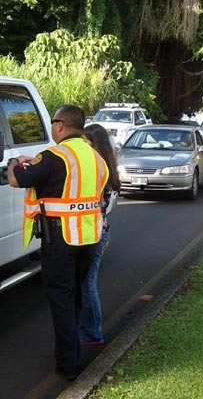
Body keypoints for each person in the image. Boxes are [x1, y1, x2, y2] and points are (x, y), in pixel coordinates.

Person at [7, 105, 108, 381]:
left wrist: (14, 162)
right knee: (73, 296)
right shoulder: (95, 157)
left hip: (60, 238)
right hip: (89, 238)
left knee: (60, 298)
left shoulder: (54, 155)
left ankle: (69, 364)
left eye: (53, 122)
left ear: (61, 125)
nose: (52, 127)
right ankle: (73, 350)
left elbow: (17, 180)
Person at [78, 124, 121, 346]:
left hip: (94, 233)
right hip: (96, 231)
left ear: (96, 145)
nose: (82, 148)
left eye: (86, 143)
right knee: (85, 283)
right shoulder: (106, 167)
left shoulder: (96, 168)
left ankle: (92, 333)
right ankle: (87, 330)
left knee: (87, 284)